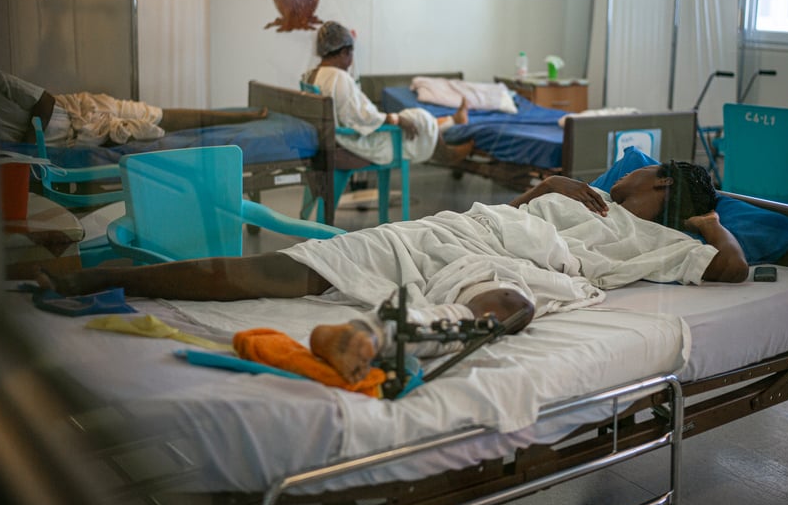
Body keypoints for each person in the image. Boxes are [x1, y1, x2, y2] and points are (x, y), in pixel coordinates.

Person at [38, 161, 748, 384]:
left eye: (650, 176)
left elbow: (733, 270)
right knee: (284, 269)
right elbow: (516, 203)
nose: (634, 175)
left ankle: (384, 341)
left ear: (667, 196)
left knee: (510, 305)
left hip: (506, 263)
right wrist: (554, 187)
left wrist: (708, 217)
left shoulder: (658, 237)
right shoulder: (587, 191)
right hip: (447, 230)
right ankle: (103, 278)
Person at [303, 21, 472, 166]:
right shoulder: (338, 77)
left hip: (334, 137)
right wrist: (394, 119)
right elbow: (359, 117)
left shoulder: (311, 75)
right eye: (350, 54)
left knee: (417, 118)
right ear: (344, 52)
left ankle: (455, 120)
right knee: (418, 117)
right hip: (355, 142)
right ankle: (446, 154)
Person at [0, 69, 268, 147]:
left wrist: (29, 145)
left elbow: (44, 100)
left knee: (163, 115)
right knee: (155, 127)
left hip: (81, 109)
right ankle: (245, 115)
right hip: (77, 135)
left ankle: (244, 115)